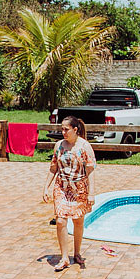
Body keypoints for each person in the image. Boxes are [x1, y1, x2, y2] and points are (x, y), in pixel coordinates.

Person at [43, 115, 96, 271]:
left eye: (66, 129)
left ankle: (77, 253)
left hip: (79, 189)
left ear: (75, 129)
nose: (63, 132)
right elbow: (53, 168)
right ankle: (65, 258)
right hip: (62, 187)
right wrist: (46, 187)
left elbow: (90, 171)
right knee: (60, 221)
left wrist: (91, 193)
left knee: (78, 221)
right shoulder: (59, 146)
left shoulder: (84, 146)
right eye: (62, 129)